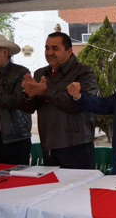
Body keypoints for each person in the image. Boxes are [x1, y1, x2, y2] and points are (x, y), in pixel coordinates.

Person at [20, 31, 97, 169]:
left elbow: (81, 104)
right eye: (47, 48)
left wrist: (46, 92)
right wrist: (29, 95)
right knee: (51, 189)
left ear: (69, 51)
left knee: (79, 189)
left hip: (76, 146)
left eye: (55, 48)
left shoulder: (83, 72)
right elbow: (29, 108)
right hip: (48, 145)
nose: (49, 52)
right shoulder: (40, 73)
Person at [0, 33, 32, 165]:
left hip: (15, 140)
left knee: (17, 181)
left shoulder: (21, 72)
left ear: (5, 52)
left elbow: (17, 101)